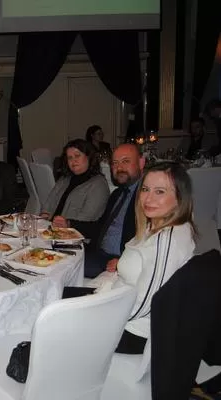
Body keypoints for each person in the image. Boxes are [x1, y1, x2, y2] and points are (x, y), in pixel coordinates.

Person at [93, 161, 196, 354]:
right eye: (145, 189)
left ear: (179, 197)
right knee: (57, 298)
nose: (148, 198)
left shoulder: (167, 238)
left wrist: (101, 316)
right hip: (119, 307)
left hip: (134, 330)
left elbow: (149, 303)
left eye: (160, 191)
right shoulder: (155, 224)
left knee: (53, 326)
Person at [60, 143, 145, 278]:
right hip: (97, 252)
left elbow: (150, 240)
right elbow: (99, 227)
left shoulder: (147, 197)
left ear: (141, 163)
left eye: (125, 161)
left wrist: (125, 261)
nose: (119, 168)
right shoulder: (117, 194)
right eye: (115, 163)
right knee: (55, 255)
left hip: (116, 259)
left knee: (61, 268)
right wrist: (70, 224)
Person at [42, 139, 109, 225]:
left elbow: (86, 220)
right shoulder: (64, 179)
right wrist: (43, 218)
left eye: (77, 156)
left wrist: (66, 224)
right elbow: (48, 204)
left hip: (72, 231)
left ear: (89, 157)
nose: (73, 160)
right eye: (70, 158)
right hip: (51, 228)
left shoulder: (98, 185)